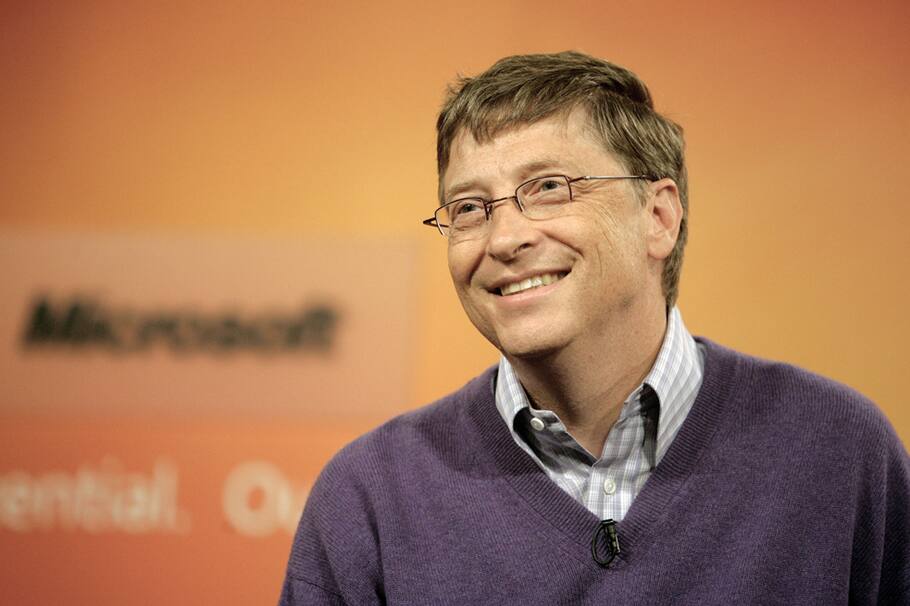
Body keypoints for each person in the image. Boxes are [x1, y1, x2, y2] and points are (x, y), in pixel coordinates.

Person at [279, 51, 909, 605]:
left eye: (549, 188)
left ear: (658, 217)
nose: (504, 238)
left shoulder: (838, 450)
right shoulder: (370, 496)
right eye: (470, 208)